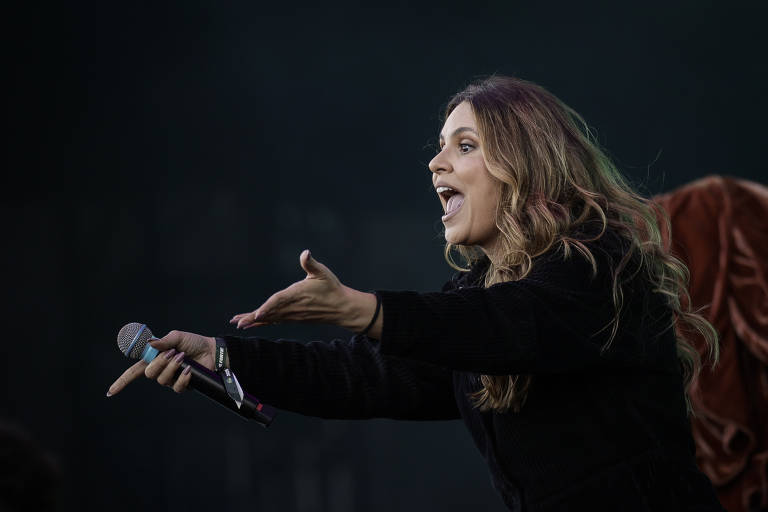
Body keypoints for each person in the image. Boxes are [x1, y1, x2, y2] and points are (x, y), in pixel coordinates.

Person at [107, 75, 725, 511]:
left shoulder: (596, 265)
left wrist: (367, 310)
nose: (435, 163)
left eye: (465, 146)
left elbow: (506, 325)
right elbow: (368, 377)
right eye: (438, 146)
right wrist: (224, 355)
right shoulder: (482, 297)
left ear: (527, 163)